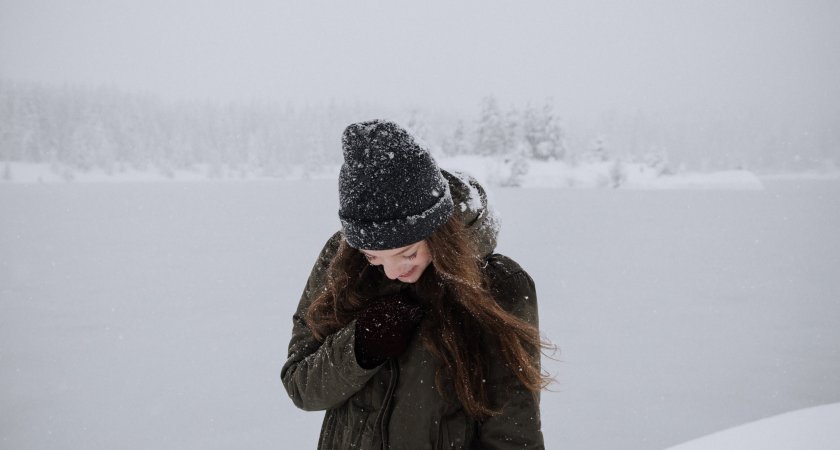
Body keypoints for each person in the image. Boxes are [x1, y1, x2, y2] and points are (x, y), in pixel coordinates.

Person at [281, 119, 550, 449]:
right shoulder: (341, 262)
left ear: (438, 234)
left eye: (407, 253)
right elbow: (301, 386)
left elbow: (513, 435)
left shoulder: (499, 285)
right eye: (374, 258)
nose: (393, 271)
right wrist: (360, 347)